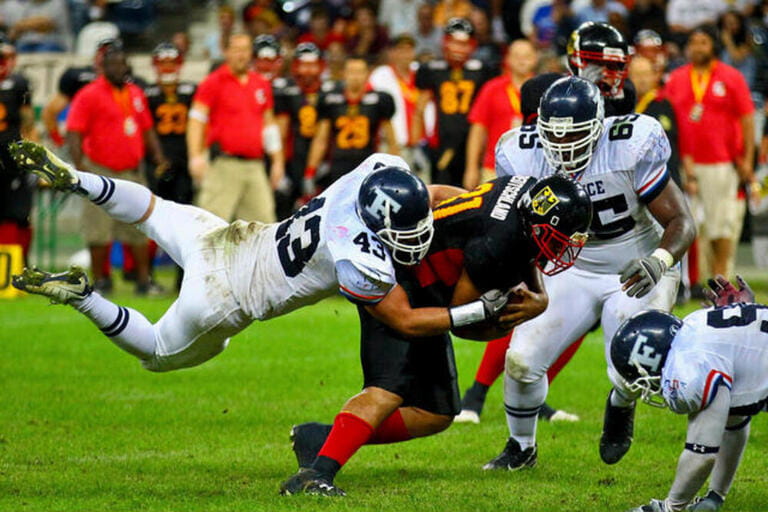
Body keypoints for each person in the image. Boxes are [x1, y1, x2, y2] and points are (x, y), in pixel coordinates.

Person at [9, 142, 516, 374]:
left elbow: (425, 192)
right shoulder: (357, 256)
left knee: (152, 209)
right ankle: (84, 297)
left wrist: (474, 199)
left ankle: (79, 180)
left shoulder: (377, 172)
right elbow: (403, 320)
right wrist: (476, 312)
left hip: (229, 236)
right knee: (157, 356)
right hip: (224, 296)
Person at [279, 173, 593, 497]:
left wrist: (539, 300)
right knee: (388, 388)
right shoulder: (495, 244)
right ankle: (314, 476)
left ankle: (321, 439)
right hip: (399, 281)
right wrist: (500, 319)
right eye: (557, 238)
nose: (562, 248)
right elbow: (461, 322)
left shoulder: (523, 197)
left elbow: (450, 198)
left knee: (435, 414)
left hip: (427, 283)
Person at [483, 76, 696, 470]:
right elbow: (508, 228)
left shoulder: (630, 145)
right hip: (572, 266)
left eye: (575, 136)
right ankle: (520, 447)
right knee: (522, 361)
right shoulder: (520, 152)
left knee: (630, 369)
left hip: (638, 266)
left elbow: (682, 220)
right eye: (554, 137)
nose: (563, 148)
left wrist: (660, 261)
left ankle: (619, 405)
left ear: (599, 124)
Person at [613, 277, 765, 512]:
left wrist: (671, 506)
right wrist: (716, 495)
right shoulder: (694, 322)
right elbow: (734, 421)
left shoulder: (689, 369)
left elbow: (702, 454)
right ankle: (715, 496)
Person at [65, 41, 167, 297]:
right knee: (98, 229)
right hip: (100, 169)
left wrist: (158, 156)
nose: (120, 68)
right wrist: (80, 167)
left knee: (138, 228)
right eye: (114, 64)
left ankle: (144, 280)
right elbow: (74, 132)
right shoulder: (88, 94)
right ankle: (100, 281)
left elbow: (146, 129)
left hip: (132, 171)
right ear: (103, 67)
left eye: (123, 63)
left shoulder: (135, 93)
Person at [664, 25, 759, 282]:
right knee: (692, 225)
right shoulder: (677, 78)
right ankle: (695, 282)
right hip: (685, 164)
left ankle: (721, 279)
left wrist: (748, 160)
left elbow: (748, 119)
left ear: (713, 46)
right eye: (693, 42)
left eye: (703, 42)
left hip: (721, 162)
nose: (697, 47)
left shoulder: (731, 77)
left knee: (721, 224)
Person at [187, 33, 284, 224]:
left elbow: (269, 125)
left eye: (246, 50)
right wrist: (195, 156)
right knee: (212, 226)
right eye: (237, 50)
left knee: (264, 225)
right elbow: (196, 121)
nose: (242, 55)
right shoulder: (213, 82)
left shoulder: (261, 84)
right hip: (224, 165)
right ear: (227, 52)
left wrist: (277, 161)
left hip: (255, 165)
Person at [413, 17, 493, 187]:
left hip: (473, 144)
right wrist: (416, 144)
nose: (458, 49)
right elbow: (420, 109)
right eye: (454, 43)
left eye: (464, 44)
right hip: (442, 143)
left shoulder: (483, 70)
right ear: (445, 43)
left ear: (472, 45)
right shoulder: (432, 69)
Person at [143, 42, 196, 290]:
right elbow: (144, 129)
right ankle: (147, 276)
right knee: (153, 221)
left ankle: (181, 279)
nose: (167, 67)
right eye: (162, 62)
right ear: (155, 65)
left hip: (184, 164)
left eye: (171, 62)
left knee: (185, 223)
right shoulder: (147, 93)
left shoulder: (191, 91)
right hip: (157, 164)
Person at [303, 56, 398, 193]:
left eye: (360, 72)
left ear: (367, 74)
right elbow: (321, 140)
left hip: (369, 166)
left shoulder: (380, 100)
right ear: (344, 73)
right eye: (352, 72)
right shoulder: (330, 100)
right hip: (338, 166)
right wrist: (310, 171)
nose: (355, 77)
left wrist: (394, 169)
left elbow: (391, 140)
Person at [463, 39, 537, 190]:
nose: (522, 61)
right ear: (508, 59)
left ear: (535, 58)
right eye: (517, 56)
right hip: (494, 167)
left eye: (527, 56)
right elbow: (478, 130)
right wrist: (471, 167)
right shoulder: (492, 88)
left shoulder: (543, 88)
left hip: (534, 167)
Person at [273, 42, 332, 219]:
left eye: (312, 64)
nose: (308, 70)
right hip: (294, 158)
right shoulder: (286, 91)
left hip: (324, 159)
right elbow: (281, 131)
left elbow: (329, 134)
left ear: (320, 66)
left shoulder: (330, 92)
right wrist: (280, 168)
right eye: (304, 64)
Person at [0, 34, 37, 261]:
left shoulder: (19, 84)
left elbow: (28, 124)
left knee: (19, 214)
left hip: (11, 156)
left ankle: (18, 266)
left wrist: (35, 158)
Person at [566, 21, 636, 116]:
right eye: (597, 64)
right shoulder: (559, 94)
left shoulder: (626, 94)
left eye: (612, 65)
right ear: (574, 61)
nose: (604, 73)